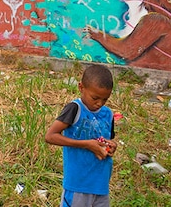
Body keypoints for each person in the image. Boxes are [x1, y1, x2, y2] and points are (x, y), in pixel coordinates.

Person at [45, 64, 117, 207]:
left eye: (105, 99)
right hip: (78, 184)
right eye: (95, 98)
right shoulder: (75, 109)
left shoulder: (107, 114)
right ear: (81, 87)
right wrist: (87, 144)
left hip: (100, 185)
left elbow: (107, 138)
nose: (99, 103)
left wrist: (110, 145)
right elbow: (50, 136)